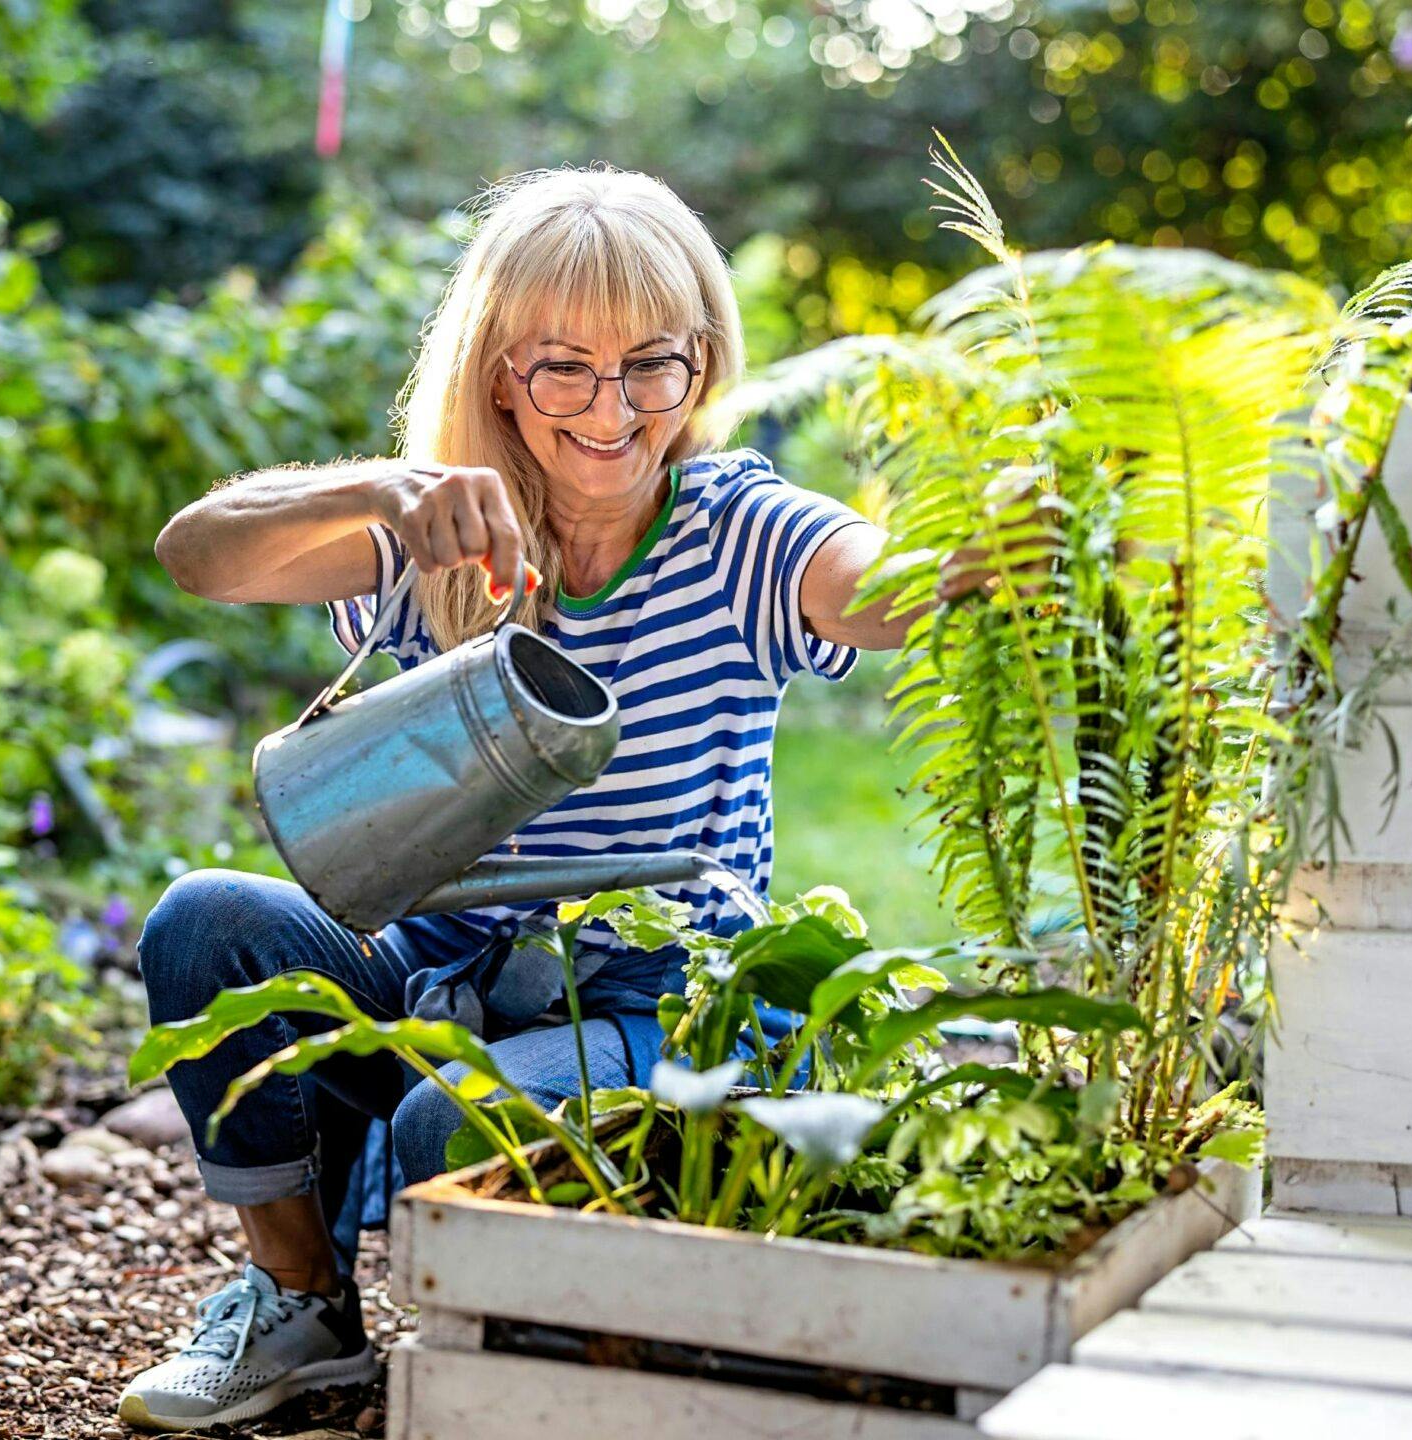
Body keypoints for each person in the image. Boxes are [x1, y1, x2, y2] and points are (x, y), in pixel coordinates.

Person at [118, 164, 987, 1431]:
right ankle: (299, 1306)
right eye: (563, 369)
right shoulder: (443, 532)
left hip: (650, 1002)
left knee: (450, 1124)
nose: (611, 408)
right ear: (498, 375)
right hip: (442, 970)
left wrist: (987, 550)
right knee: (205, 924)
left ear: (702, 362)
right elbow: (196, 556)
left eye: (651, 365)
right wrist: (382, 489)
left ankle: (544, 1363)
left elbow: (876, 585)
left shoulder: (738, 531)